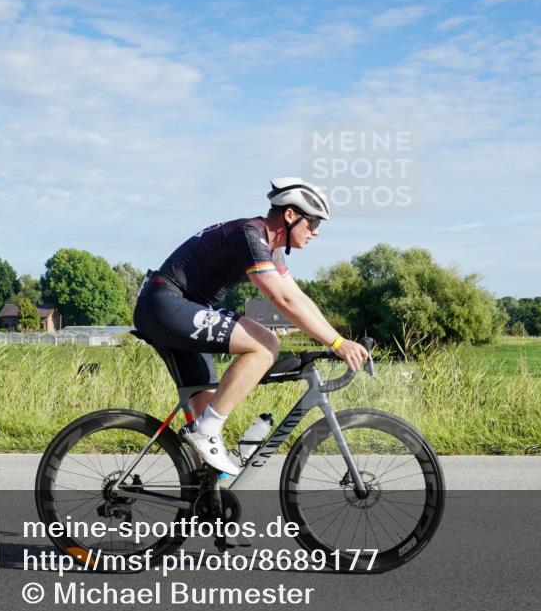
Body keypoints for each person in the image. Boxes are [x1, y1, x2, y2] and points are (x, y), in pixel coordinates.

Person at [133, 178, 369, 476]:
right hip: (164, 303)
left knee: (208, 425)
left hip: (179, 309)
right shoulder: (251, 234)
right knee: (266, 344)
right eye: (313, 223)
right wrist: (336, 344)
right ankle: (206, 434)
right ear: (290, 215)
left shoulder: (271, 249)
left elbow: (298, 298)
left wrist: (338, 339)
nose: (316, 232)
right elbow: (281, 298)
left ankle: (202, 500)